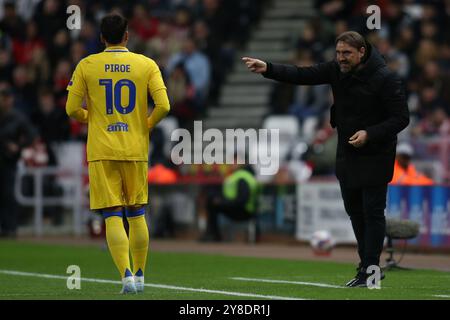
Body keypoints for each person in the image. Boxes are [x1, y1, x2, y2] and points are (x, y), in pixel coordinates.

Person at [243, 31, 410, 287]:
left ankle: (371, 269)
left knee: (373, 212)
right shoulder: (336, 70)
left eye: (347, 54)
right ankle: (366, 265)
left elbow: (401, 118)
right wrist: (268, 68)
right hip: (347, 152)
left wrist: (370, 134)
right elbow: (303, 75)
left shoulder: (385, 78)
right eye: (338, 53)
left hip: (377, 153)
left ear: (361, 52)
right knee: (355, 212)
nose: (341, 58)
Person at [65, 14, 170, 294]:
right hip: (135, 148)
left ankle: (125, 277)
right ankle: (141, 275)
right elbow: (164, 106)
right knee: (137, 214)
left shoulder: (87, 65)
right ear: (127, 36)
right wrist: (143, 124)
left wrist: (94, 118)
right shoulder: (146, 64)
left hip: (102, 149)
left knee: (112, 215)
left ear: (101, 38)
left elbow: (71, 110)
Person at [0, 84, 36, 238]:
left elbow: (31, 136)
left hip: (9, 161)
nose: (5, 101)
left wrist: (18, 147)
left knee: (8, 194)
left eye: (7, 97)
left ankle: (10, 228)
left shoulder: (18, 117)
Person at [200, 159, 260, 242]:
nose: (231, 164)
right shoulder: (240, 176)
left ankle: (214, 235)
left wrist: (222, 202)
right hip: (242, 209)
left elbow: (241, 200)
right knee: (212, 200)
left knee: (212, 203)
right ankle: (213, 234)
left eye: (235, 161)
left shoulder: (242, 177)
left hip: (243, 210)